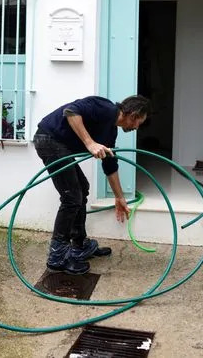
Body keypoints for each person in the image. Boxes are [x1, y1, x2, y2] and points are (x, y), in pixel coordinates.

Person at [34, 95, 151, 275]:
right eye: (139, 123)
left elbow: (110, 165)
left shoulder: (110, 132)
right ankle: (56, 258)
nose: (136, 128)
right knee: (71, 197)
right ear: (134, 115)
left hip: (59, 144)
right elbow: (70, 112)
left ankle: (79, 245)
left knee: (81, 189)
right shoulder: (106, 108)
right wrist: (89, 143)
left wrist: (119, 198)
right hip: (49, 139)